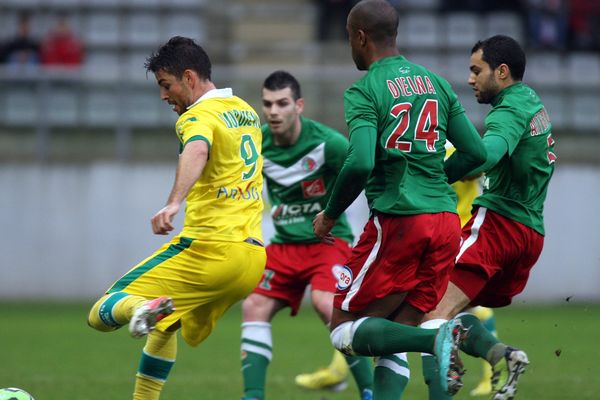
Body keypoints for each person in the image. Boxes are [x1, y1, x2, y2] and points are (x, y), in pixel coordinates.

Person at [312, 0, 487, 399]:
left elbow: (359, 162)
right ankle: (436, 339)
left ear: (359, 37)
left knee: (343, 328)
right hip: (445, 222)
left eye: (348, 39)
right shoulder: (436, 83)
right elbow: (477, 153)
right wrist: (434, 179)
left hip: (401, 220)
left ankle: (439, 341)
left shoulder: (365, 90)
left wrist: (329, 215)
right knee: (401, 328)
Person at [87, 36, 266, 400]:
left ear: (189, 77)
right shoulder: (245, 110)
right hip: (251, 259)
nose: (164, 96)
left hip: (209, 250)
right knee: (165, 325)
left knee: (104, 308)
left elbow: (198, 148)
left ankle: (143, 306)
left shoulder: (197, 116)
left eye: (165, 86)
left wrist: (173, 203)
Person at [421, 34, 557, 400]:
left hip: (498, 225)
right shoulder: (531, 101)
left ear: (501, 71)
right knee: (455, 313)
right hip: (530, 235)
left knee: (430, 312)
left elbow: (487, 153)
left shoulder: (508, 111)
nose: (470, 79)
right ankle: (502, 355)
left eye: (476, 70)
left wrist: (438, 174)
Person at [240, 70, 374, 400]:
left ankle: (371, 392)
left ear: (298, 105)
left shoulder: (328, 143)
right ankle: (253, 396)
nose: (273, 111)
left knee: (327, 305)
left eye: (282, 103)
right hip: (284, 246)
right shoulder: (255, 144)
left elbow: (366, 170)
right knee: (254, 305)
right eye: (267, 104)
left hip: (328, 243)